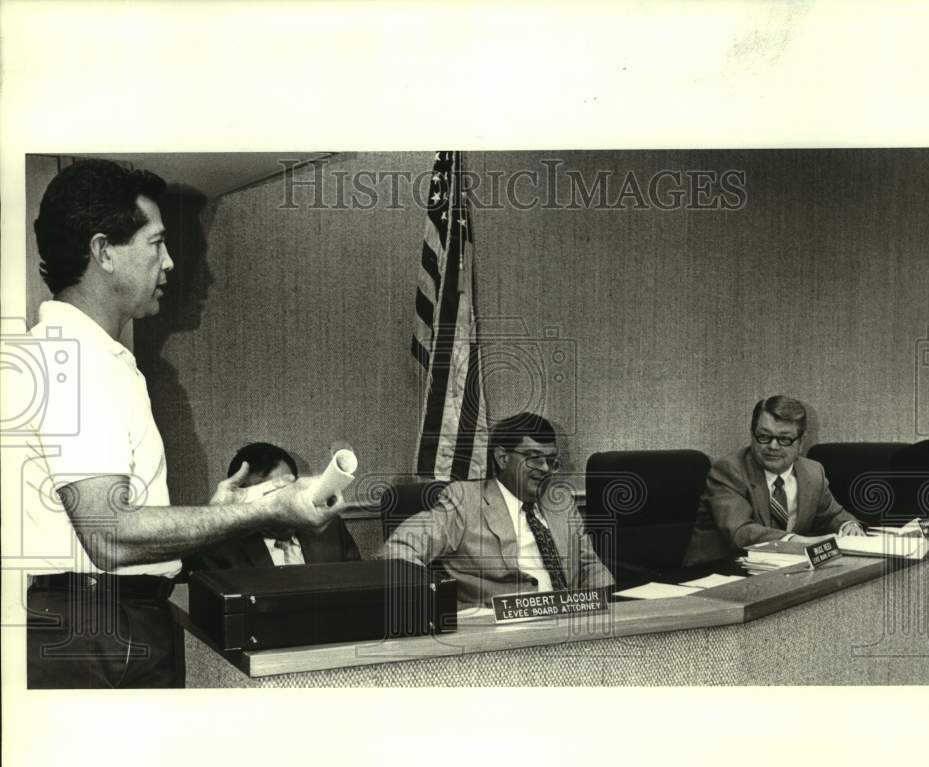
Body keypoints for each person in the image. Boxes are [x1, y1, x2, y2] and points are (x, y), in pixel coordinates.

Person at [23, 159, 344, 688]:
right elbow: (108, 534)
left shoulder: (83, 355)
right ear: (103, 251)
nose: (170, 263)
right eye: (155, 244)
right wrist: (262, 510)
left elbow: (117, 524)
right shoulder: (76, 359)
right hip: (100, 633)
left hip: (103, 625)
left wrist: (218, 512)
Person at [380, 412, 613, 608]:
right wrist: (437, 603)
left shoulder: (559, 502)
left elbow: (589, 565)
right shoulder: (464, 501)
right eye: (534, 459)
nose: (545, 469)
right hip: (498, 633)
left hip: (567, 624)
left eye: (551, 461)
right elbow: (398, 550)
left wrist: (611, 608)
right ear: (502, 458)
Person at [685, 395, 865, 565]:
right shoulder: (729, 470)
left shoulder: (812, 472)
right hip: (717, 574)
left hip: (780, 571)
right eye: (764, 436)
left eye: (784, 439)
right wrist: (796, 541)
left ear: (801, 442)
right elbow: (741, 532)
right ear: (752, 434)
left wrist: (847, 526)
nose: (772, 446)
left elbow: (831, 515)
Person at [184, 442, 360, 571]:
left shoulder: (331, 529)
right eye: (268, 494)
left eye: (287, 489)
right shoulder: (220, 549)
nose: (282, 502)